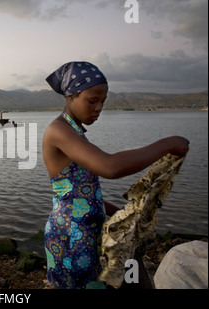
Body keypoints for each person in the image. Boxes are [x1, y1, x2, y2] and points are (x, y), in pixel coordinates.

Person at [42, 61, 189, 289]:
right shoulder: (58, 130)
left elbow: (77, 192)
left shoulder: (75, 132)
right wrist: (166, 144)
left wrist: (116, 211)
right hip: (70, 236)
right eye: (92, 101)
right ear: (71, 96)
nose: (99, 107)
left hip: (82, 232)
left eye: (103, 101)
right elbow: (110, 166)